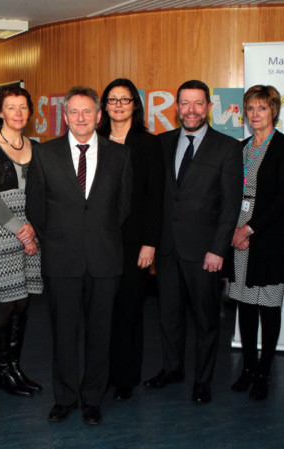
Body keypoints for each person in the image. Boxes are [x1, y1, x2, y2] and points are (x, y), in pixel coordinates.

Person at [26, 86, 132, 425]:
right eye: (74, 111)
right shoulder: (45, 154)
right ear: (65, 116)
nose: (82, 117)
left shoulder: (120, 155)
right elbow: (36, 207)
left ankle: (92, 399)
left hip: (104, 258)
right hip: (61, 258)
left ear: (99, 116)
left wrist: (98, 233)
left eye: (88, 111)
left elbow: (123, 207)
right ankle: (65, 398)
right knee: (63, 333)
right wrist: (58, 238)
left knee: (100, 334)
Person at [144, 80, 241, 405]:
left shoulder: (227, 148)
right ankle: (172, 369)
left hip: (205, 253)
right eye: (185, 103)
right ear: (176, 107)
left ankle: (203, 379)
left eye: (198, 104)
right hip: (168, 249)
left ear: (209, 107)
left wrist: (218, 249)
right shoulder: (162, 143)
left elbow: (230, 206)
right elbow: (157, 196)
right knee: (168, 315)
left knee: (205, 319)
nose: (191, 110)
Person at [224, 85, 284, 401]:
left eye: (262, 108)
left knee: (267, 306)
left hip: (269, 237)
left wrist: (249, 229)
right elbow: (228, 192)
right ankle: (248, 368)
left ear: (274, 111)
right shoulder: (240, 147)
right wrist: (232, 229)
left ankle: (264, 372)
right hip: (237, 232)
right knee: (244, 304)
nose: (255, 114)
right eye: (251, 108)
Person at [96, 78, 163, 402]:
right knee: (99, 311)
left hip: (134, 243)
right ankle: (101, 373)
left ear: (135, 105)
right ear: (104, 106)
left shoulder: (148, 145)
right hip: (97, 242)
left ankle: (125, 378)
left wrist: (150, 243)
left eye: (125, 100)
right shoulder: (92, 140)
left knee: (128, 311)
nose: (118, 105)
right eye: (112, 100)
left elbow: (155, 198)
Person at [0, 85, 43, 397]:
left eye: (23, 107)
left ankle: (15, 369)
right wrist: (23, 230)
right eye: (11, 107)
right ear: (0, 112)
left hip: (33, 234)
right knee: (6, 306)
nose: (18, 113)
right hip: (3, 236)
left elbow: (43, 194)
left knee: (24, 304)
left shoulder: (38, 147)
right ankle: (1, 372)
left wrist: (34, 231)